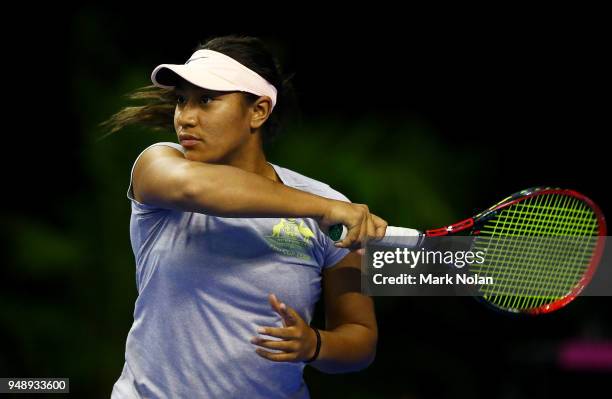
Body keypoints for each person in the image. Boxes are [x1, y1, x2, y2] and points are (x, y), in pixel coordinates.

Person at [106, 35, 387, 398]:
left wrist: (315, 344)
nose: (186, 117)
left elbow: (360, 338)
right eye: (181, 101)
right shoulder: (157, 167)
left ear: (259, 111)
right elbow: (196, 189)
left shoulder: (331, 206)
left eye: (207, 100)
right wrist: (325, 209)